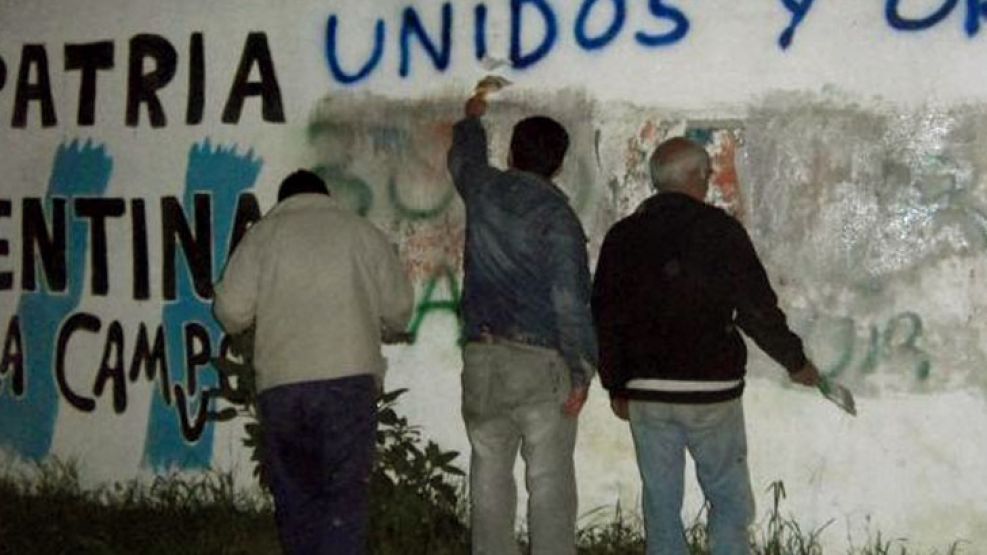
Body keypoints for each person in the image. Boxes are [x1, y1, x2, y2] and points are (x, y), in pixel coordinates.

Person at [591, 137, 820, 555]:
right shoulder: (721, 231)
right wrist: (796, 362)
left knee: (660, 500)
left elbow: (606, 316)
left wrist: (616, 384)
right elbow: (756, 310)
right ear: (696, 178)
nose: (710, 181)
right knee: (728, 496)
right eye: (708, 173)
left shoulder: (623, 236)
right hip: (711, 391)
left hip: (646, 392)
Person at [213, 169, 414, 554]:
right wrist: (381, 324)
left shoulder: (263, 236)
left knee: (296, 498)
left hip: (283, 387)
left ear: (283, 200)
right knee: (344, 497)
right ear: (325, 196)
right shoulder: (361, 232)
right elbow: (400, 309)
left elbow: (229, 311)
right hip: (349, 383)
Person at [447, 93, 598, 555]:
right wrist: (581, 370)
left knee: (489, 472)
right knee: (548, 482)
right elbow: (569, 300)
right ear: (558, 165)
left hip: (482, 356)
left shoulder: (484, 190)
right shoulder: (558, 218)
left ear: (511, 153)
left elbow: (463, 160)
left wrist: (472, 119)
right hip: (538, 363)